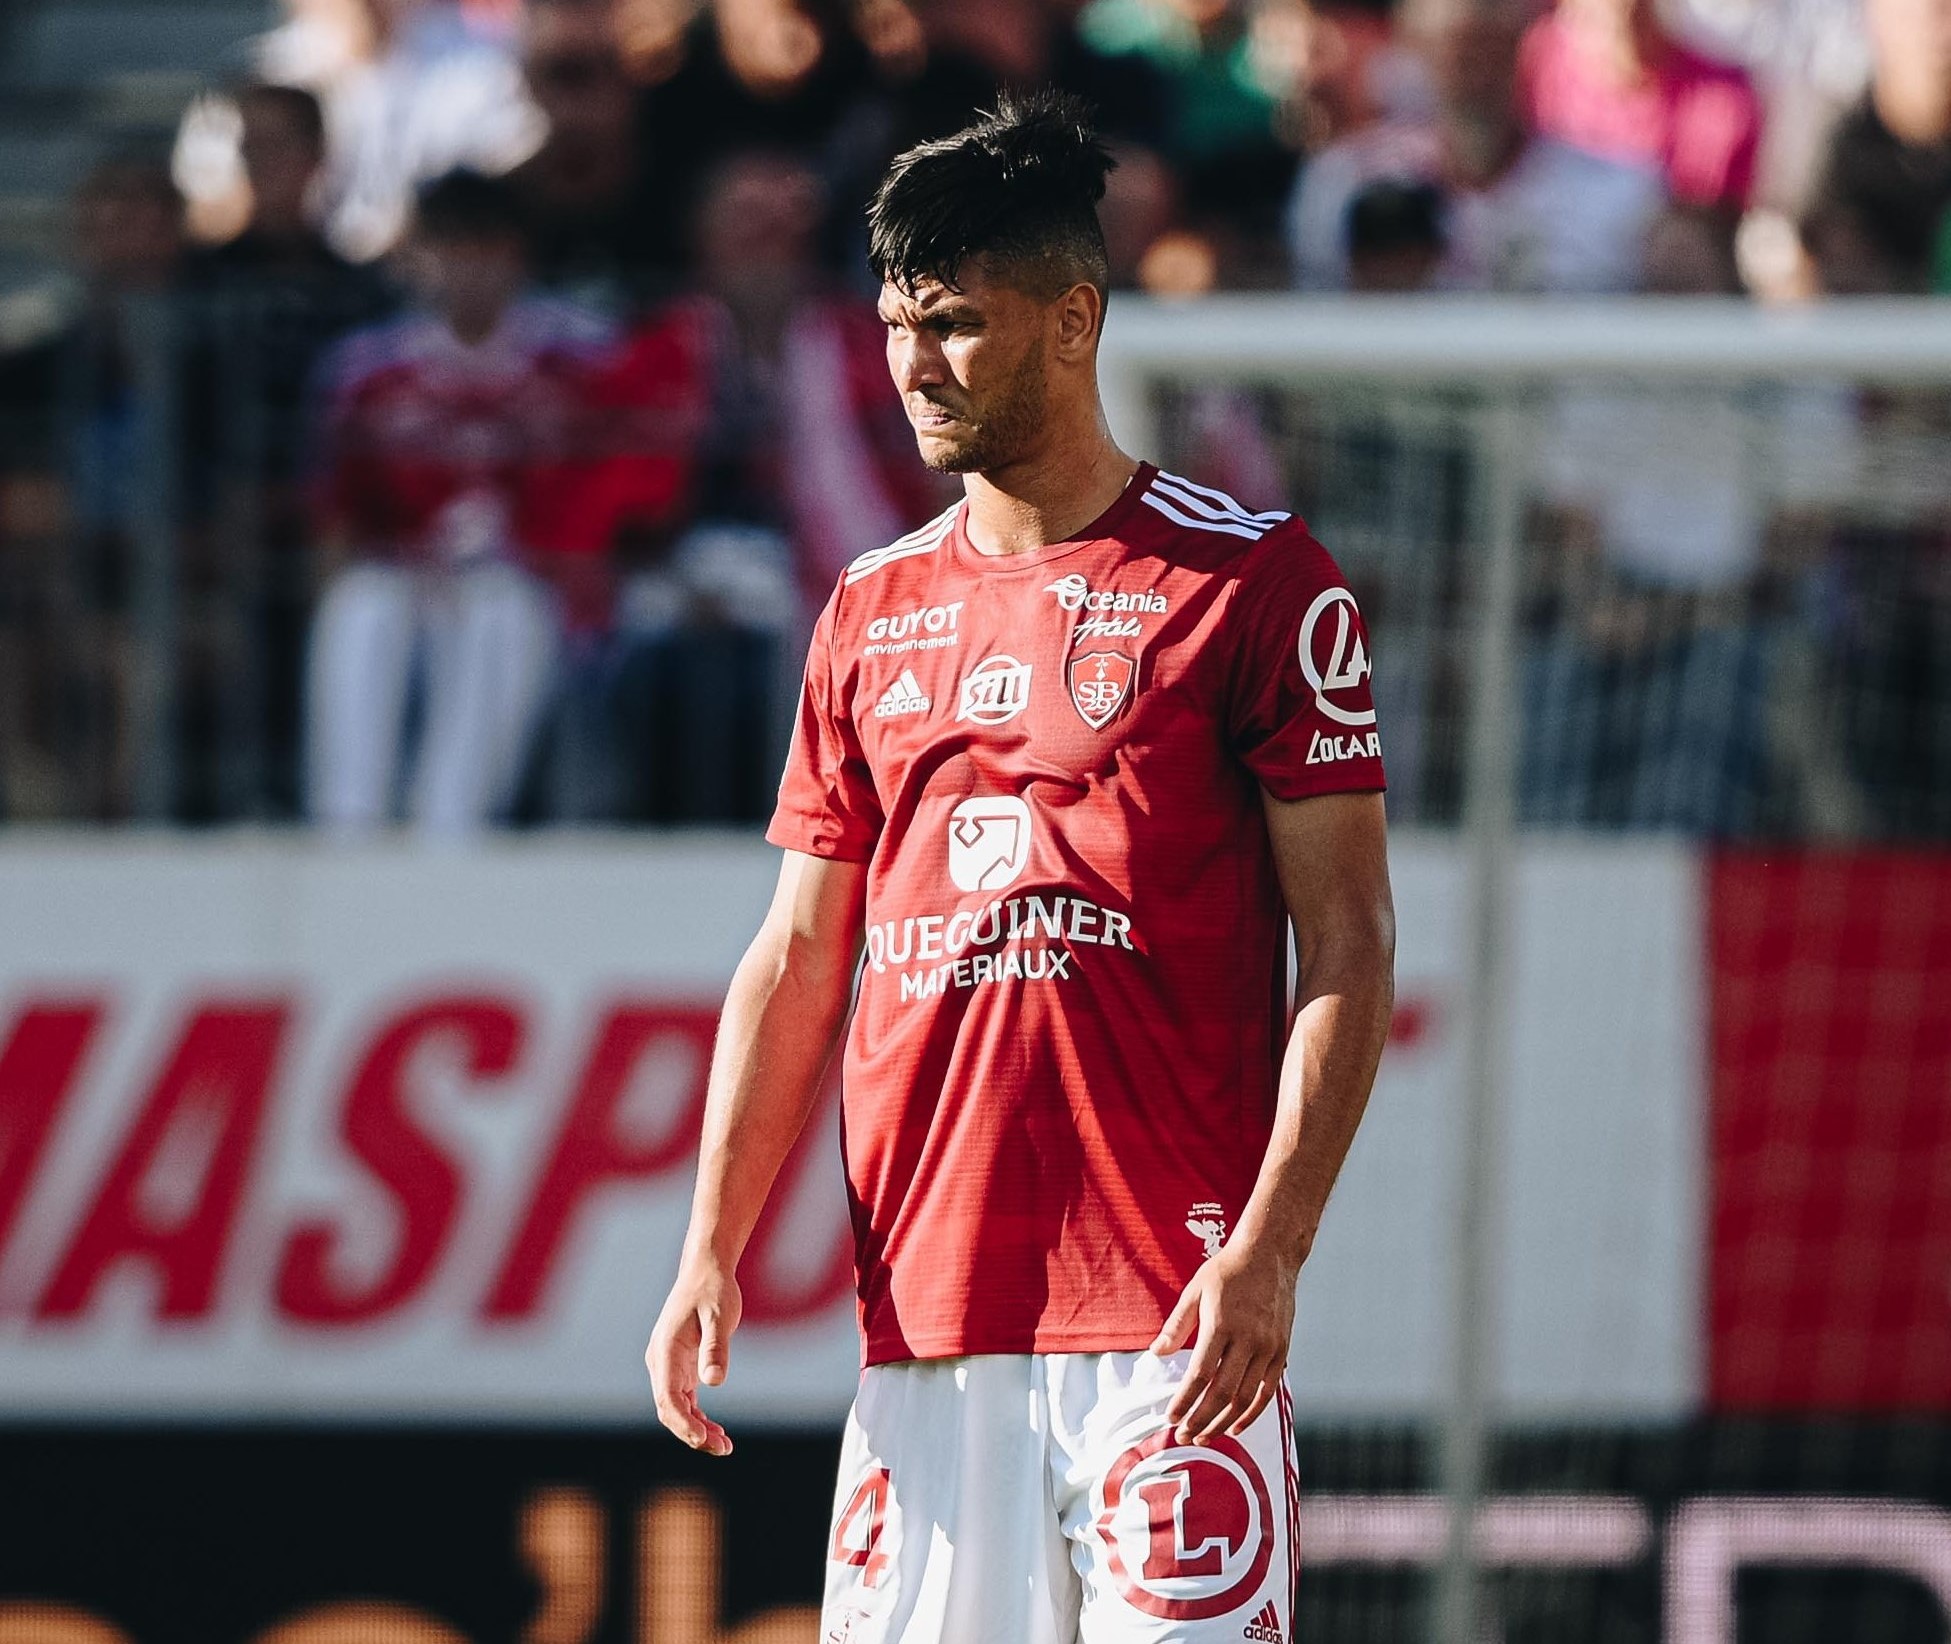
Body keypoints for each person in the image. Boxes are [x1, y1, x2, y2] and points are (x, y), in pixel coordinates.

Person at [646, 92, 1396, 1644]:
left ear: (1074, 319)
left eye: (957, 325)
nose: (914, 364)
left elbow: (1348, 943)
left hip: (1173, 1328)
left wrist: (1267, 1253)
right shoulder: (866, 610)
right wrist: (709, 1243)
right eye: (895, 324)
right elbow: (796, 955)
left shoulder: (1251, 582)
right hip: (923, 1325)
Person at [305, 169, 606, 832]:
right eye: (450, 248)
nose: (468, 269)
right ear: (417, 256)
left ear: (517, 254)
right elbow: (338, 515)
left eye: (485, 248)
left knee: (500, 612)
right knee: (361, 607)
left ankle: (453, 826)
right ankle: (346, 824)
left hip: (531, 581)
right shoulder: (368, 370)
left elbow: (599, 497)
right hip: (406, 573)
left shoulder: (579, 358)